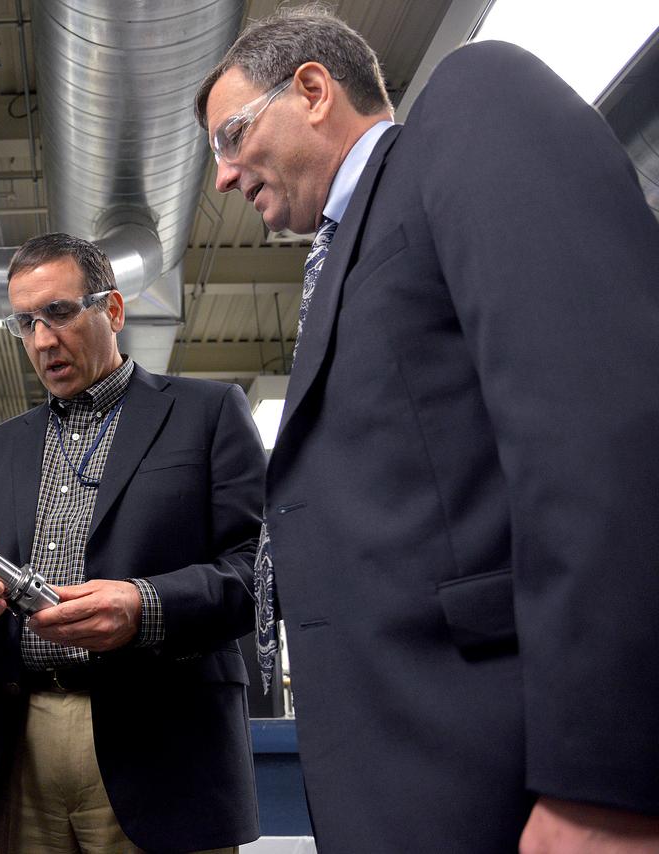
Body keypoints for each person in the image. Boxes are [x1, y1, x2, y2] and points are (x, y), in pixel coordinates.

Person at [195, 6, 659, 852]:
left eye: (230, 136)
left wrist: (606, 784)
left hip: (511, 779)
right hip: (402, 780)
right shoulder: (342, 254)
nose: (221, 177)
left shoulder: (472, 104)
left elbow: (601, 426)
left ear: (311, 89)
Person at [0, 233, 265, 853]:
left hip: (164, 745)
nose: (42, 340)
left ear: (111, 311)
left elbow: (263, 573)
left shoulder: (208, 413)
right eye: (25, 322)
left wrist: (145, 606)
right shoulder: (0, 447)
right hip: (23, 740)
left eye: (59, 313)